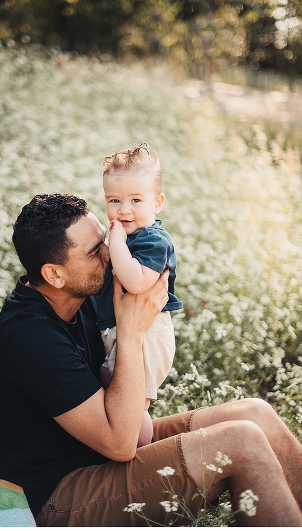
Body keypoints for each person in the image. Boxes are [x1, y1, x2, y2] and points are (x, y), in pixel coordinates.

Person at [0, 193, 302, 526]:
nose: (109, 254)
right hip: (56, 495)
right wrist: (131, 333)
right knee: (242, 443)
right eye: (94, 252)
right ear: (54, 275)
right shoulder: (29, 338)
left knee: (255, 413)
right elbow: (120, 445)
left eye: (103, 241)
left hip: (99, 452)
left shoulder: (82, 295)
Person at [97, 144, 182, 448]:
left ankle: (141, 440)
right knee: (112, 385)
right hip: (126, 329)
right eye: (114, 200)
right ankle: (131, 434)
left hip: (149, 334)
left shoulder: (152, 240)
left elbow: (135, 282)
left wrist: (116, 243)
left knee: (133, 398)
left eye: (135, 200)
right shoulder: (132, 237)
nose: (124, 209)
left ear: (157, 203)